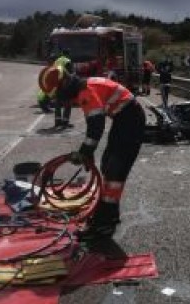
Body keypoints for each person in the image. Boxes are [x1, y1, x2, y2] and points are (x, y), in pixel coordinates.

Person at [38, 65, 146, 241]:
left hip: (130, 122)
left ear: (64, 84)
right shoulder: (83, 86)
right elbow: (96, 126)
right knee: (107, 165)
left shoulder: (86, 91)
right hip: (124, 120)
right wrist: (88, 154)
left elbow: (96, 127)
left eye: (58, 95)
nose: (61, 101)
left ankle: (104, 224)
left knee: (114, 173)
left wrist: (84, 153)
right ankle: (108, 215)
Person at [52, 50, 73, 129]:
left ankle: (57, 122)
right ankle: (65, 122)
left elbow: (53, 72)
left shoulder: (57, 61)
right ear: (68, 54)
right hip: (65, 85)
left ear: (62, 54)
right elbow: (70, 75)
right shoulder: (68, 61)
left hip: (57, 85)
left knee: (58, 105)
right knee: (67, 105)